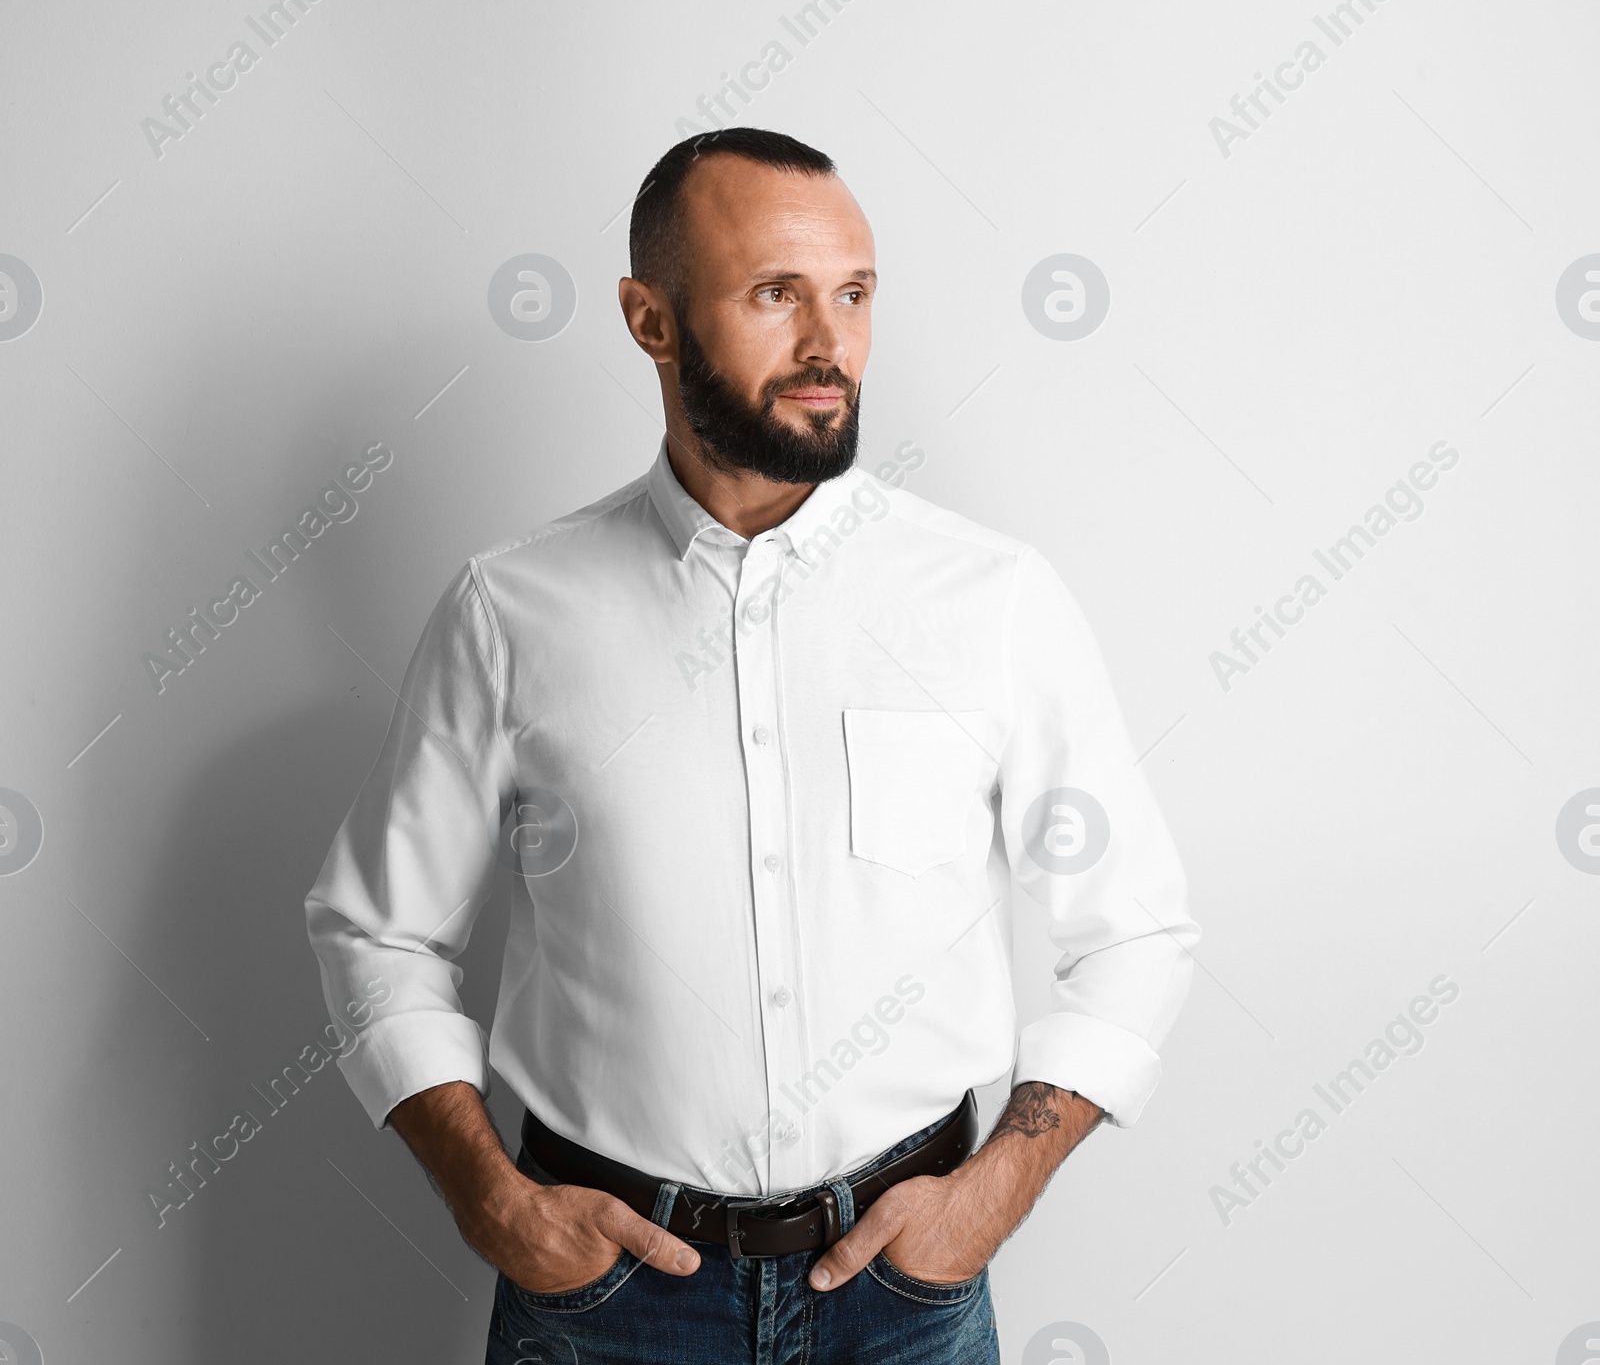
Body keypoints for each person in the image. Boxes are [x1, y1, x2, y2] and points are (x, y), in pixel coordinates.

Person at [305, 127, 1199, 1364]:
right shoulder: (510, 612)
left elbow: (1137, 928)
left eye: (854, 292)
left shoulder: (989, 601)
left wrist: (987, 1197)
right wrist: (492, 1198)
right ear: (650, 319)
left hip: (905, 1298)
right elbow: (376, 927)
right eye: (776, 294)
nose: (830, 342)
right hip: (605, 1308)